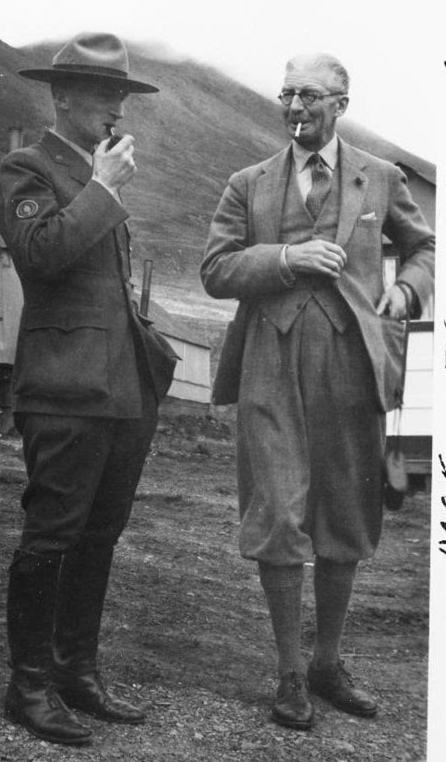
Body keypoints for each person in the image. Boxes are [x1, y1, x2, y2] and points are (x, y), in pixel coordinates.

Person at [200, 53, 434, 731]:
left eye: (309, 96)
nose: (295, 107)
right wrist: (285, 258)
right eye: (286, 95)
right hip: (269, 362)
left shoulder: (380, 177)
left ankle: (328, 662)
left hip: (352, 360)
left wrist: (407, 288)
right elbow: (215, 268)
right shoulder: (247, 184)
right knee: (278, 511)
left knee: (344, 513)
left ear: (341, 102)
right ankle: (289, 674)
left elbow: (425, 247)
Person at [0, 32, 178, 746]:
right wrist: (102, 190)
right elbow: (41, 258)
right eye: (104, 96)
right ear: (62, 96)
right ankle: (29, 684)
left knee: (99, 535)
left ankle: (76, 671)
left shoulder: (99, 170)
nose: (116, 111)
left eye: (122, 98)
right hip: (63, 389)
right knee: (52, 535)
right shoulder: (25, 167)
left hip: (122, 389)